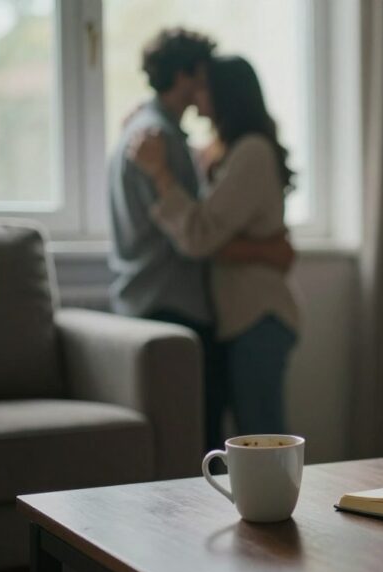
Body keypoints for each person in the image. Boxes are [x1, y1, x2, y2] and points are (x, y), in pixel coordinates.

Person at [109, 29, 293, 452]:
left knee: (257, 439)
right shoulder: (163, 140)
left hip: (252, 314)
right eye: (201, 79)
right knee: (232, 440)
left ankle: (279, 498)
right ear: (185, 76)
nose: (201, 93)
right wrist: (268, 251)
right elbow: (197, 236)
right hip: (186, 307)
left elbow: (201, 231)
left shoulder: (218, 147)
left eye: (209, 85)